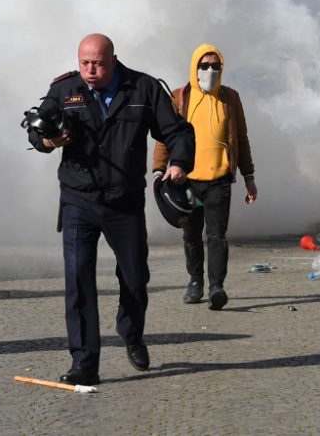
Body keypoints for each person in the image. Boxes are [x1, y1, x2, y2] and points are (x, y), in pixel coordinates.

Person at [27, 33, 194, 385]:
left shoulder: (143, 89)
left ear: (113, 59)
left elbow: (178, 132)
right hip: (78, 200)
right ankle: (84, 362)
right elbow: (37, 129)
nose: (90, 70)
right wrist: (46, 140)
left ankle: (131, 331)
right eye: (84, 62)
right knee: (78, 280)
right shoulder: (63, 89)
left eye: (98, 64)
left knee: (135, 278)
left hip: (125, 202)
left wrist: (178, 163)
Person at [152, 44, 257, 310]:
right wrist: (158, 169)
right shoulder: (180, 97)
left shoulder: (230, 98)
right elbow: (165, 137)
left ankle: (216, 287)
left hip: (219, 180)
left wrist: (249, 175)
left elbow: (241, 139)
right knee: (191, 235)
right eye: (204, 65)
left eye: (215, 66)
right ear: (194, 68)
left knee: (217, 235)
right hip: (185, 181)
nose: (210, 70)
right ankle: (195, 281)